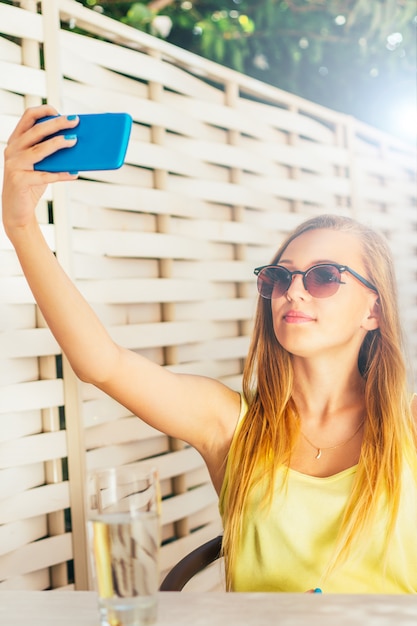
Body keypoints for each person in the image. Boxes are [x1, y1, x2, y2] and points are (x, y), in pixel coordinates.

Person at [2, 105, 417, 594]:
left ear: (374, 311)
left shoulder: (407, 426)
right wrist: (21, 225)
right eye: (280, 276)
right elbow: (101, 363)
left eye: (324, 276)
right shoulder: (230, 424)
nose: (294, 291)